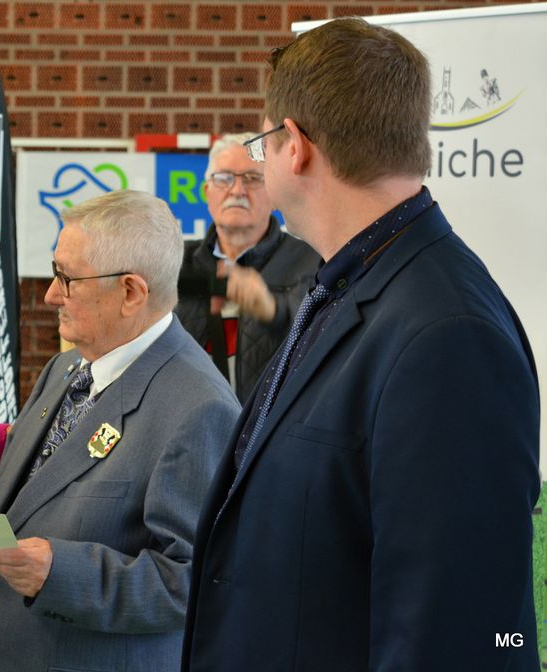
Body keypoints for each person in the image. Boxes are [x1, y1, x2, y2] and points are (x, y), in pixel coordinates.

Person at [181, 18, 540, 671]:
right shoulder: (352, 283)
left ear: (295, 146)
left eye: (262, 143)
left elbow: (453, 639)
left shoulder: (446, 335)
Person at [0, 189, 241, 672]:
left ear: (131, 292)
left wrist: (60, 574)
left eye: (66, 278)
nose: (51, 294)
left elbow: (193, 582)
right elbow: (16, 512)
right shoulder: (66, 368)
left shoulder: (198, 406)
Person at [175, 133, 318, 403]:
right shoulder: (174, 261)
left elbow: (324, 337)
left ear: (274, 195)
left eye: (253, 179)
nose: (237, 190)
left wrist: (273, 309)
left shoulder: (311, 261)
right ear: (207, 191)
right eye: (224, 178)